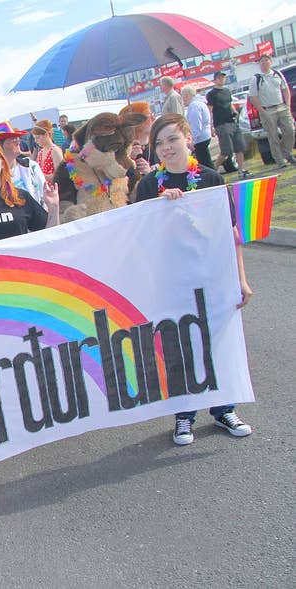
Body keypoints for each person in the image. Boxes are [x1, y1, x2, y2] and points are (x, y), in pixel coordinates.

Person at [134, 113, 253, 445]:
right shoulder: (148, 186)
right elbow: (137, 235)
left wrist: (240, 279)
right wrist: (159, 209)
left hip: (211, 274)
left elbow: (231, 234)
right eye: (159, 143)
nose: (166, 148)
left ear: (188, 138)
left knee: (216, 340)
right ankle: (184, 414)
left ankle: (223, 408)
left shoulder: (211, 179)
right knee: (179, 344)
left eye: (172, 139)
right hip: (171, 280)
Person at [248, 54, 296, 169]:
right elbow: (253, 97)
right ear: (259, 64)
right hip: (267, 110)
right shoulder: (256, 78)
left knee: (290, 130)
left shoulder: (277, 74)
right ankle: (280, 161)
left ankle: (286, 152)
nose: (264, 63)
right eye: (261, 61)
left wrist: (287, 105)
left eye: (266, 60)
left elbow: (285, 89)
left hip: (281, 107)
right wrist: (262, 111)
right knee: (273, 135)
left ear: (271, 62)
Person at [0, 120, 45, 206]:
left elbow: (44, 194)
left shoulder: (31, 166)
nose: (18, 141)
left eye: (17, 138)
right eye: (12, 139)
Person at [206, 71, 251, 179]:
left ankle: (241, 171)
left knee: (239, 148)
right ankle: (214, 171)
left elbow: (230, 104)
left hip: (232, 122)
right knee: (226, 151)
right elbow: (210, 111)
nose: (221, 79)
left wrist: (235, 112)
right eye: (219, 78)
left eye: (223, 77)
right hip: (221, 124)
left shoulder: (226, 91)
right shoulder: (212, 94)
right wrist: (211, 126)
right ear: (215, 80)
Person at [181, 85, 213, 169]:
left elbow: (195, 125)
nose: (182, 98)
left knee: (205, 163)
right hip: (205, 135)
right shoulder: (200, 103)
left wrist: (192, 141)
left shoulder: (194, 106)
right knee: (206, 161)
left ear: (187, 95)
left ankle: (214, 180)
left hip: (200, 138)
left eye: (182, 95)